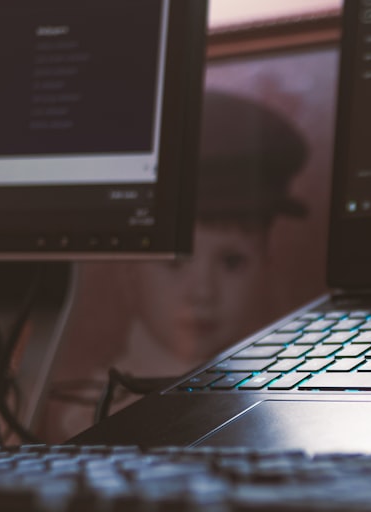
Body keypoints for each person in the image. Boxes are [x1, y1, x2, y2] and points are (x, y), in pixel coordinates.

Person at [43, 90, 309, 439]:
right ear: (129, 270)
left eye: (232, 262)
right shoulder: (87, 414)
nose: (202, 292)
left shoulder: (286, 395)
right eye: (174, 263)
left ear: (266, 267)